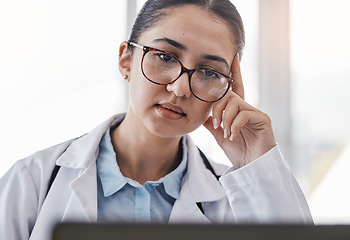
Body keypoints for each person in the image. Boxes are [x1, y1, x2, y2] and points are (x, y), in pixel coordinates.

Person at [0, 0, 313, 239]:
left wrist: (255, 164)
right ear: (126, 60)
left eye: (208, 72)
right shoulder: (33, 181)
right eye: (165, 57)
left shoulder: (238, 202)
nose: (179, 88)